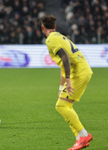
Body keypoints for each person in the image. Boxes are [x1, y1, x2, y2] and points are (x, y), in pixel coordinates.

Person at [40, 14, 93, 150]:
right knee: (65, 106)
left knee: (61, 106)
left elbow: (65, 58)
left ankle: (84, 135)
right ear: (55, 27)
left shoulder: (51, 40)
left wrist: (68, 80)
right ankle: (80, 138)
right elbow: (63, 65)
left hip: (78, 73)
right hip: (82, 70)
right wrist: (60, 87)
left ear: (42, 28)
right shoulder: (59, 36)